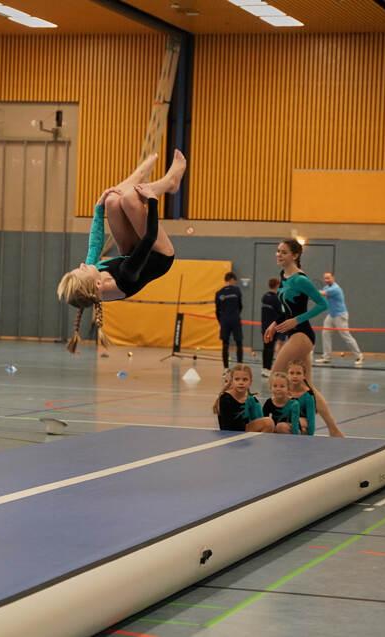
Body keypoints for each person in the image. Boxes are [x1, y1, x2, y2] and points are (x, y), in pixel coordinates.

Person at [57, 150, 186, 352]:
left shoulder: (93, 280)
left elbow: (94, 245)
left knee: (111, 201)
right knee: (130, 199)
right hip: (158, 254)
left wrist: (98, 209)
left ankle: (139, 173)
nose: (82, 264)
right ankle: (169, 182)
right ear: (98, 284)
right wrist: (152, 200)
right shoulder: (126, 276)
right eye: (81, 270)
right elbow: (150, 237)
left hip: (132, 253)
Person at [262, 239, 344, 437]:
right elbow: (286, 308)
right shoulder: (284, 276)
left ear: (295, 255)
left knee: (275, 376)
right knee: (308, 385)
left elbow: (321, 305)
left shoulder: (300, 279)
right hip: (293, 331)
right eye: (277, 251)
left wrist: (296, 320)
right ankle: (333, 429)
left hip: (302, 334)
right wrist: (275, 323)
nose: (278, 255)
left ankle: (288, 419)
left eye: (283, 252)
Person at [316, 272, 364, 366]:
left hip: (340, 315)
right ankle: (326, 357)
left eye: (328, 278)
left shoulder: (335, 289)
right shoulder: (327, 287)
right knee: (325, 333)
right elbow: (321, 295)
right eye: (325, 278)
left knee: (346, 335)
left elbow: (322, 293)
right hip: (331, 315)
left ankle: (359, 355)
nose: (326, 280)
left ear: (333, 278)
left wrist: (310, 290)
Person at [212, 364, 275, 433]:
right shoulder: (226, 399)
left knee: (268, 423)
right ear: (232, 381)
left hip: (245, 434)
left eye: (245, 379)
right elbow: (226, 427)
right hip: (230, 435)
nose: (241, 382)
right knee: (268, 422)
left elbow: (258, 420)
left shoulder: (252, 400)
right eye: (237, 379)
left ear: (250, 382)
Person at [215, 271, 243, 372]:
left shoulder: (219, 293)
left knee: (225, 344)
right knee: (239, 342)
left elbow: (217, 310)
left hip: (224, 321)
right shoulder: (237, 291)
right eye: (234, 281)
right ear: (231, 280)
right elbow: (240, 306)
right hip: (235, 319)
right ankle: (240, 366)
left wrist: (222, 321)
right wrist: (235, 315)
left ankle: (225, 368)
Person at [260, 277, 281, 377]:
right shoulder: (276, 298)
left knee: (265, 348)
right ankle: (268, 369)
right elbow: (281, 313)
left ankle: (264, 368)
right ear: (277, 285)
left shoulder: (265, 297)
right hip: (272, 328)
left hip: (264, 327)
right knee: (270, 348)